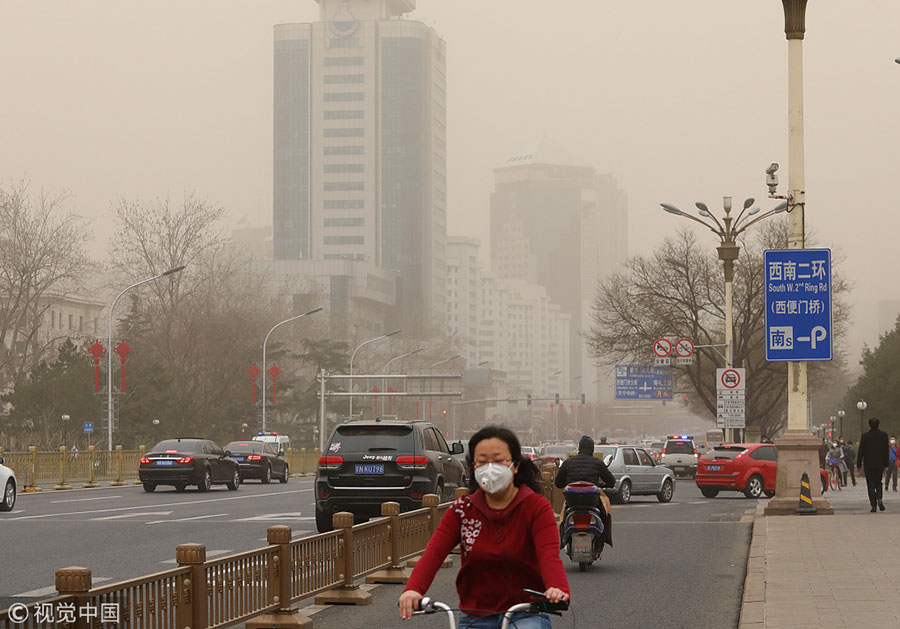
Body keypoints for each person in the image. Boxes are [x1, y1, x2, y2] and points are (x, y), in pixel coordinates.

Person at [398, 426, 570, 628]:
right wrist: (413, 589)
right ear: (473, 467)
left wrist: (556, 588)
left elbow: (548, 556)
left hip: (526, 612)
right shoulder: (462, 509)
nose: (490, 468)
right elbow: (434, 553)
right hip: (476, 614)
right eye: (482, 461)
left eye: (498, 460)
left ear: (514, 465)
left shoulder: (536, 507)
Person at [554, 435, 616, 540]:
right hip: (592, 501)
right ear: (592, 449)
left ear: (579, 448)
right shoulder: (597, 462)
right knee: (605, 512)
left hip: (572, 502)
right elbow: (611, 481)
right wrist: (606, 484)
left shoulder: (568, 462)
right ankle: (605, 537)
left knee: (563, 515)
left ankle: (563, 539)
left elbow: (558, 483)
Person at [857, 417, 890, 512]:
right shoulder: (884, 436)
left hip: (869, 464)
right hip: (880, 464)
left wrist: (859, 464)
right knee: (878, 482)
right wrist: (886, 464)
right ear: (878, 425)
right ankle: (879, 498)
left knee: (870, 484)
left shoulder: (865, 436)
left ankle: (873, 505)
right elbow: (885, 451)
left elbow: (861, 451)